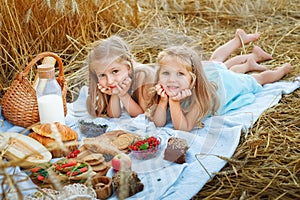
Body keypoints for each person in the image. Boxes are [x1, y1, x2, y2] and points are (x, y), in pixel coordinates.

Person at [146, 45, 292, 131]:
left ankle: (283, 69)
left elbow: (183, 128)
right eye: (166, 73)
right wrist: (164, 101)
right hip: (216, 79)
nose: (171, 79)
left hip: (226, 86)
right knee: (232, 71)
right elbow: (159, 123)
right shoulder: (164, 90)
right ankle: (249, 64)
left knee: (256, 80)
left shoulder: (200, 97)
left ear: (193, 78)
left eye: (180, 74)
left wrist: (174, 103)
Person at [86, 36, 155, 118]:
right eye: (102, 75)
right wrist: (115, 94)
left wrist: (123, 95)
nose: (110, 81)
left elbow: (143, 115)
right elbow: (114, 115)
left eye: (115, 71)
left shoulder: (143, 75)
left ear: (128, 67)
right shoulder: (118, 82)